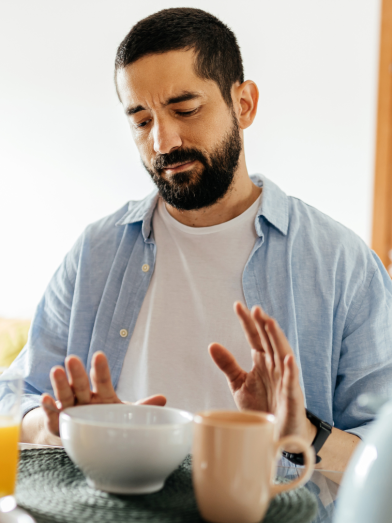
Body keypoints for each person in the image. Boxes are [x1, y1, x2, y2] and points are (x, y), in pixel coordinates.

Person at [2, 7, 392, 472]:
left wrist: (302, 434)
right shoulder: (96, 253)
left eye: (185, 109)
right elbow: (15, 396)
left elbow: (383, 460)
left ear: (244, 104)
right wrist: (60, 427)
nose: (163, 141)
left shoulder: (341, 264)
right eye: (141, 121)